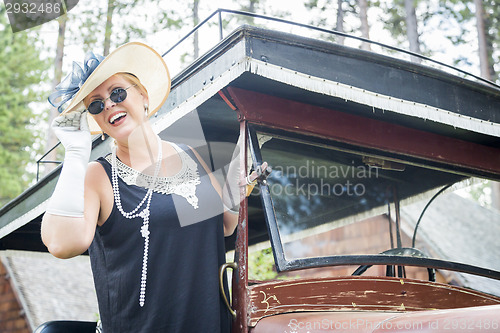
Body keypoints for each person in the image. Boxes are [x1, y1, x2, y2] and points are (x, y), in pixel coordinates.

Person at [41, 42, 258, 332]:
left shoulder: (190, 153)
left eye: (117, 92)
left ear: (142, 95)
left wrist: (245, 160)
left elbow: (225, 225)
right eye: (96, 104)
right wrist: (76, 153)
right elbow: (62, 244)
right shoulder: (98, 175)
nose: (109, 105)